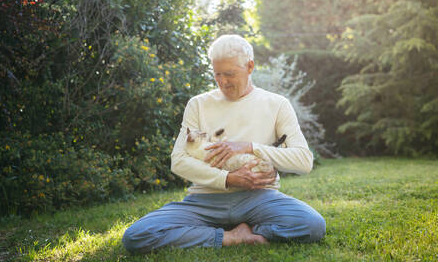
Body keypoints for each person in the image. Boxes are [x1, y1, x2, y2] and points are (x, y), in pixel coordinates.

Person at [122, 34, 326, 253]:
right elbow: (179, 161)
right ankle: (232, 236)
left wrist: (250, 146)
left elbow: (304, 161)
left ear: (250, 66)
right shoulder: (199, 105)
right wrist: (227, 179)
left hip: (259, 199)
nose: (223, 82)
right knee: (136, 236)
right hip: (205, 200)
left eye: (229, 74)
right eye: (217, 74)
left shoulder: (277, 105)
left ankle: (232, 229)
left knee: (313, 225)